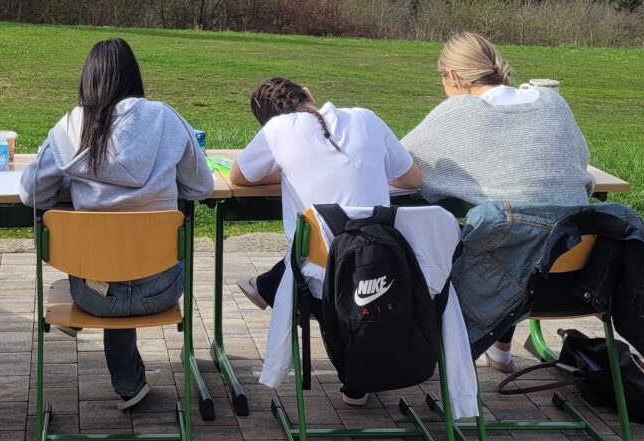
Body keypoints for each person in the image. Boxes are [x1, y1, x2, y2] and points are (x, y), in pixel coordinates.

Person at [19, 38, 213, 410]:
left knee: (104, 269)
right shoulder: (165, 118)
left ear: (86, 80)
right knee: (135, 261)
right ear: (133, 76)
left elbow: (31, 194)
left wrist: (68, 180)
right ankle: (129, 382)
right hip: (162, 286)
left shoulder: (69, 128)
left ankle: (129, 381)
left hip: (93, 294)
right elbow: (201, 186)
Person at [400, 31, 594, 372]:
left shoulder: (459, 111)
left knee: (500, 233)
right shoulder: (552, 102)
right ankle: (500, 351)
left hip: (507, 273)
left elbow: (401, 163)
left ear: (452, 76)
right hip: (574, 275)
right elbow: (581, 165)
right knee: (525, 225)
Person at [229, 78, 423, 398]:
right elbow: (413, 178)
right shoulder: (366, 117)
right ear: (309, 94)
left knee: (317, 253)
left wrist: (288, 169)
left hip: (324, 279)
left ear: (266, 119)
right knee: (340, 243)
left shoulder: (278, 131)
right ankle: (271, 287)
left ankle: (272, 287)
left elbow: (238, 176)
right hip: (388, 269)